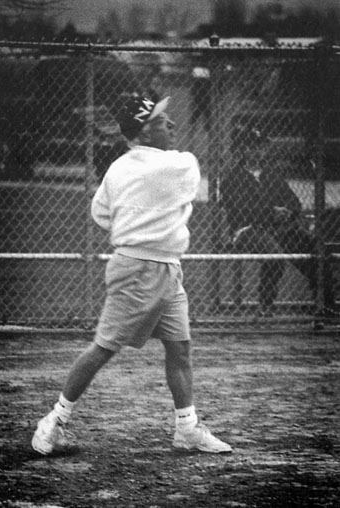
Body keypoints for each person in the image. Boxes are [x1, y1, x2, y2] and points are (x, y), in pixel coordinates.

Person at [31, 94, 232, 456]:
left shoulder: (118, 167)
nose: (171, 124)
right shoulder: (179, 164)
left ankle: (186, 428)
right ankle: (53, 422)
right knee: (103, 348)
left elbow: (101, 214)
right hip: (139, 269)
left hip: (165, 266)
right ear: (143, 131)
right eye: (161, 120)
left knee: (180, 347)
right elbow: (182, 179)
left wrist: (133, 225)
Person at [220, 128, 337, 316]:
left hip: (280, 227)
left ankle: (327, 305)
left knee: (316, 248)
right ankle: (265, 306)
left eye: (261, 147)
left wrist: (286, 212)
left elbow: (294, 202)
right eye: (251, 147)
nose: (257, 151)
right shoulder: (233, 178)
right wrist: (271, 212)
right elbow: (243, 211)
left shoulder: (271, 174)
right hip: (247, 230)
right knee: (275, 254)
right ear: (242, 149)